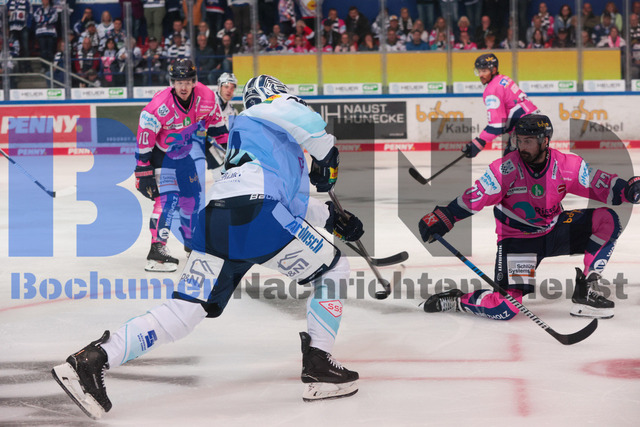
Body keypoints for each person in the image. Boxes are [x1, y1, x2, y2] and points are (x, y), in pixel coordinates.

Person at [52, 74, 363, 419]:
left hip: (218, 218)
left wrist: (331, 217)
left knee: (185, 311)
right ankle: (319, 364)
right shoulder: (269, 109)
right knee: (333, 269)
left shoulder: (265, 141)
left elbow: (287, 202)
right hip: (256, 215)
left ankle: (93, 359)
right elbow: (306, 123)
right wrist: (328, 156)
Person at [418, 114, 640, 321]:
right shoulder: (505, 169)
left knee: (607, 220)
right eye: (519, 140)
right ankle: (457, 300)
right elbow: (475, 197)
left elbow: (602, 184)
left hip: (554, 230)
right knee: (504, 309)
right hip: (519, 243)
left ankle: (587, 290)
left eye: (528, 141)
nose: (521, 146)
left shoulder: (567, 165)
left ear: (545, 141)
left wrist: (628, 189)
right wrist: (444, 216)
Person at [131, 59, 227, 272]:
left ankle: (191, 242)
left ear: (194, 82)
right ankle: (157, 250)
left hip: (183, 153)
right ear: (172, 83)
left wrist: (233, 152)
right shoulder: (159, 105)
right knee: (168, 199)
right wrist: (142, 169)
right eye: (179, 82)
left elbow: (219, 130)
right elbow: (144, 136)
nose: (183, 87)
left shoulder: (207, 98)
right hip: (160, 154)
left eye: (187, 82)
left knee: (192, 199)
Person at [461, 53, 538, 158]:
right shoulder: (503, 79)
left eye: (484, 71)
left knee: (510, 164)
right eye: (479, 71)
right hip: (536, 125)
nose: (480, 75)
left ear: (493, 70)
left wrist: (478, 143)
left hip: (526, 130)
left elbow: (497, 125)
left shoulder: (492, 90)